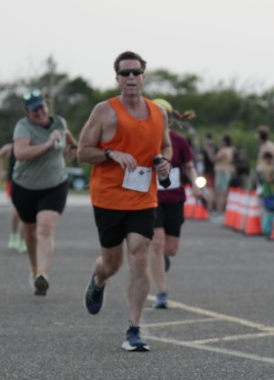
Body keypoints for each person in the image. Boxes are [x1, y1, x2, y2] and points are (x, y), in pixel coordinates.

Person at [78, 51, 172, 351]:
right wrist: (110, 153)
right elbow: (82, 152)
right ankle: (98, 279)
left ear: (144, 76)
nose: (130, 77)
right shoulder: (104, 111)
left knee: (139, 255)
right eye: (124, 73)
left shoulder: (158, 113)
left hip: (144, 197)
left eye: (135, 72)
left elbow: (166, 146)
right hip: (108, 197)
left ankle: (134, 329)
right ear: (117, 78)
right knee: (112, 262)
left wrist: (165, 162)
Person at [12, 89, 77, 296]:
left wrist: (74, 146)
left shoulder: (59, 122)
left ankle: (42, 274)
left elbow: (66, 134)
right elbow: (20, 153)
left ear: (46, 106)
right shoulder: (23, 127)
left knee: (46, 228)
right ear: (27, 113)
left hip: (54, 185)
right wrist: (48, 144)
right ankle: (34, 269)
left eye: (41, 107)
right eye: (34, 110)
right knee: (30, 232)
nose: (39, 112)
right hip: (25, 187)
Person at [148, 98, 201, 309]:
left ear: (169, 119)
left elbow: (189, 166)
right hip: (151, 199)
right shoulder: (145, 138)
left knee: (171, 248)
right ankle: (162, 292)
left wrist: (195, 184)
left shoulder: (179, 141)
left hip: (175, 198)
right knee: (157, 242)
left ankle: (162, 258)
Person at [211, 134, 235, 214]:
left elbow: (214, 159)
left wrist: (209, 150)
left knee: (220, 192)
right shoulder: (231, 149)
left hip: (222, 172)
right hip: (228, 172)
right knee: (224, 192)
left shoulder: (223, 150)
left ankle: (219, 210)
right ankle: (222, 210)